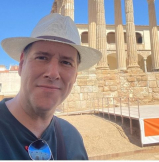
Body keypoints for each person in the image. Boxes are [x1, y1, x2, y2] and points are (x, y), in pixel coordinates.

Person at [0, 13, 102, 160]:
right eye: (42, 57)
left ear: (75, 76)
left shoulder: (72, 139)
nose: (53, 73)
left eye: (66, 62)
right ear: (22, 64)